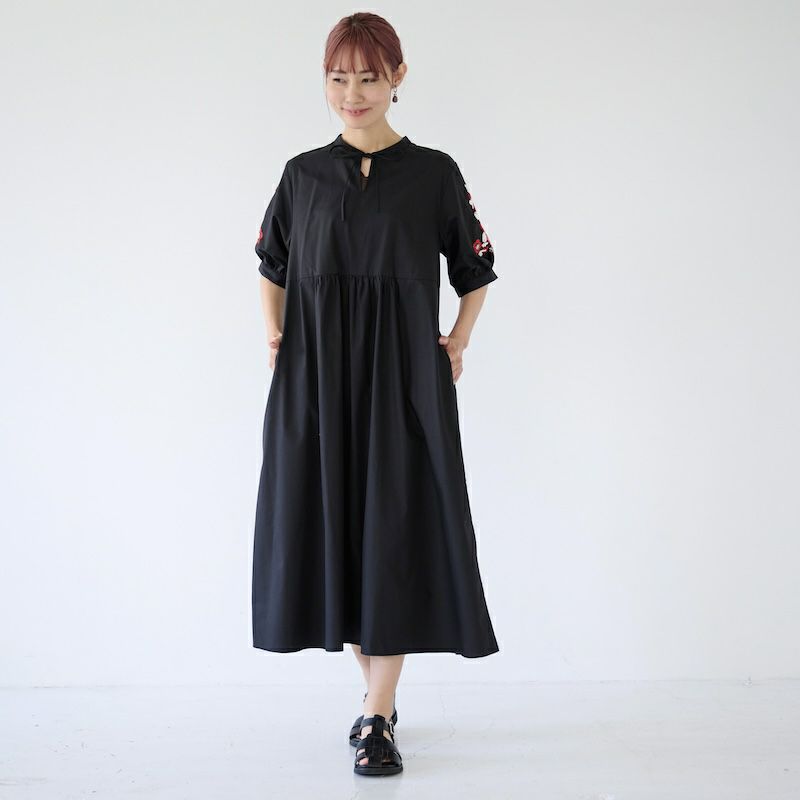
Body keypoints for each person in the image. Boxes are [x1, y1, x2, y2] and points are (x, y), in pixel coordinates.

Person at [252, 12, 500, 777]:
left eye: (367, 77)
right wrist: (275, 333)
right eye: (338, 78)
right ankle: (378, 708)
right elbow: (271, 265)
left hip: (403, 381)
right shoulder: (301, 174)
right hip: (317, 379)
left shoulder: (434, 173)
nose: (351, 93)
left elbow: (476, 269)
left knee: (394, 535)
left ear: (397, 78)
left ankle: (376, 712)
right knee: (337, 536)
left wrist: (457, 340)